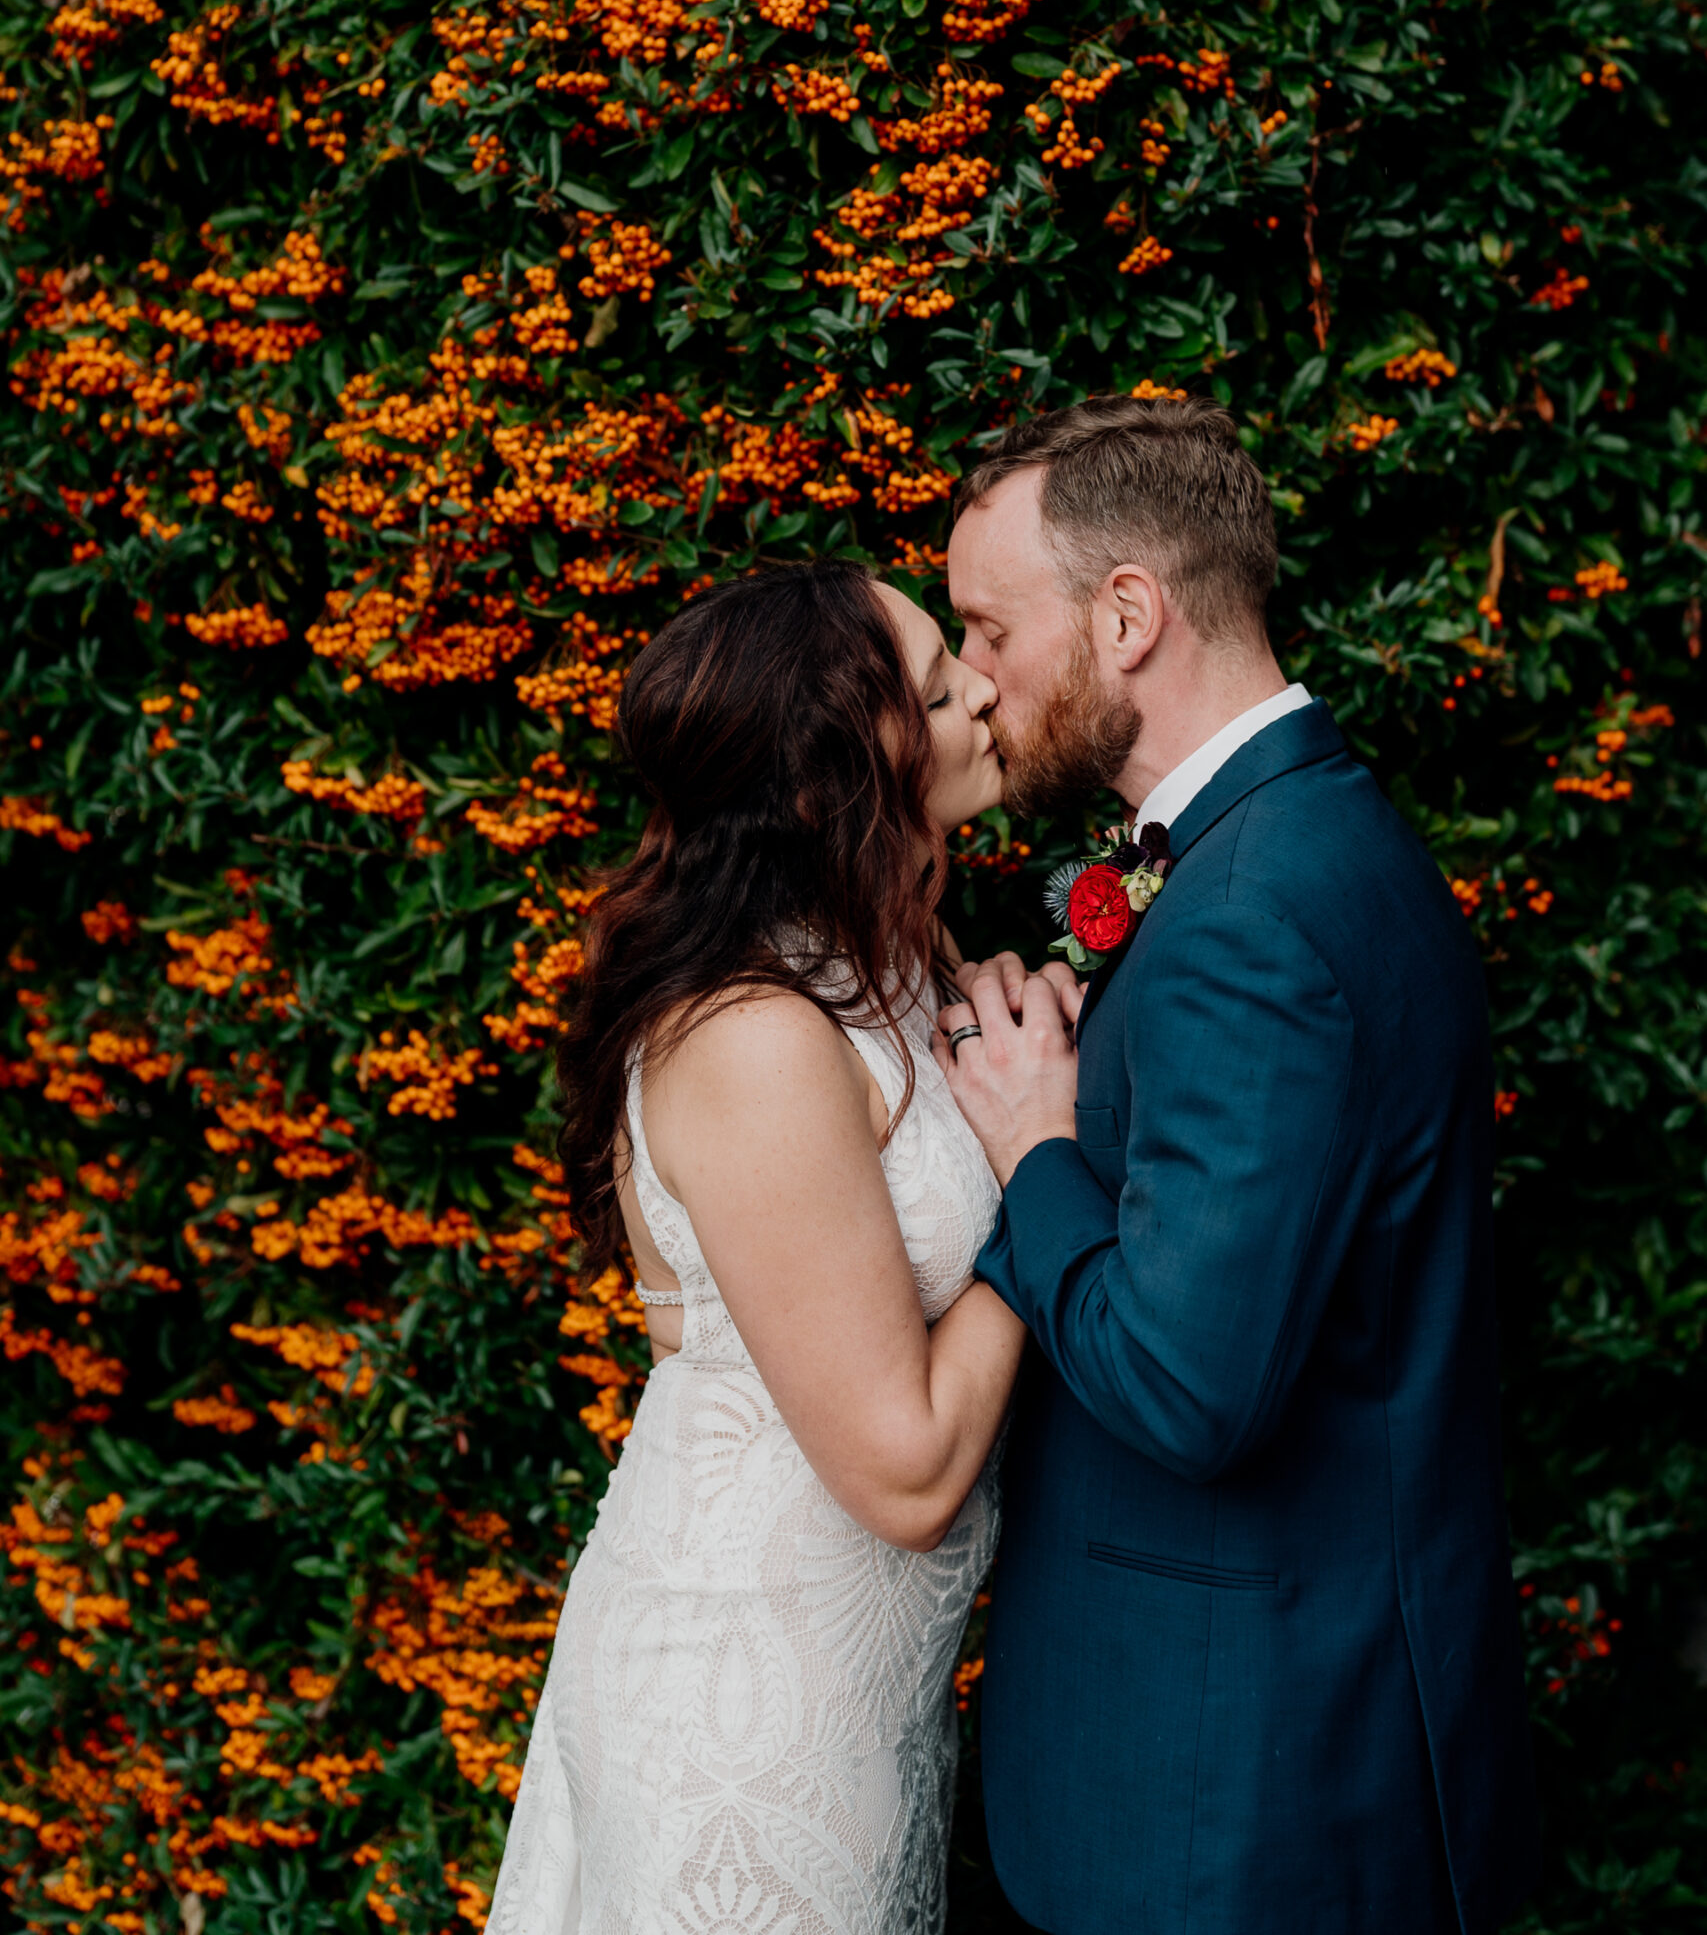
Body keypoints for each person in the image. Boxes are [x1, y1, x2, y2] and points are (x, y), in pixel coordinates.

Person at [935, 392, 1540, 1935]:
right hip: (1269, 1749)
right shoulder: (1282, 849)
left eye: (990, 629)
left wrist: (1033, 1142)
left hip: (1234, 1800)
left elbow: (1191, 1389)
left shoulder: (1253, 917)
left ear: (1126, 615)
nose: (973, 682)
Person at [490, 561, 1031, 1935]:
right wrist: (1050, 1166)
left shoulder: (886, 957)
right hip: (743, 1704)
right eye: (932, 687)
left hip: (853, 1681)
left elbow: (697, 1329)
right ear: (832, 776)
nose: (980, 688)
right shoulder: (754, 1034)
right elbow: (905, 1472)